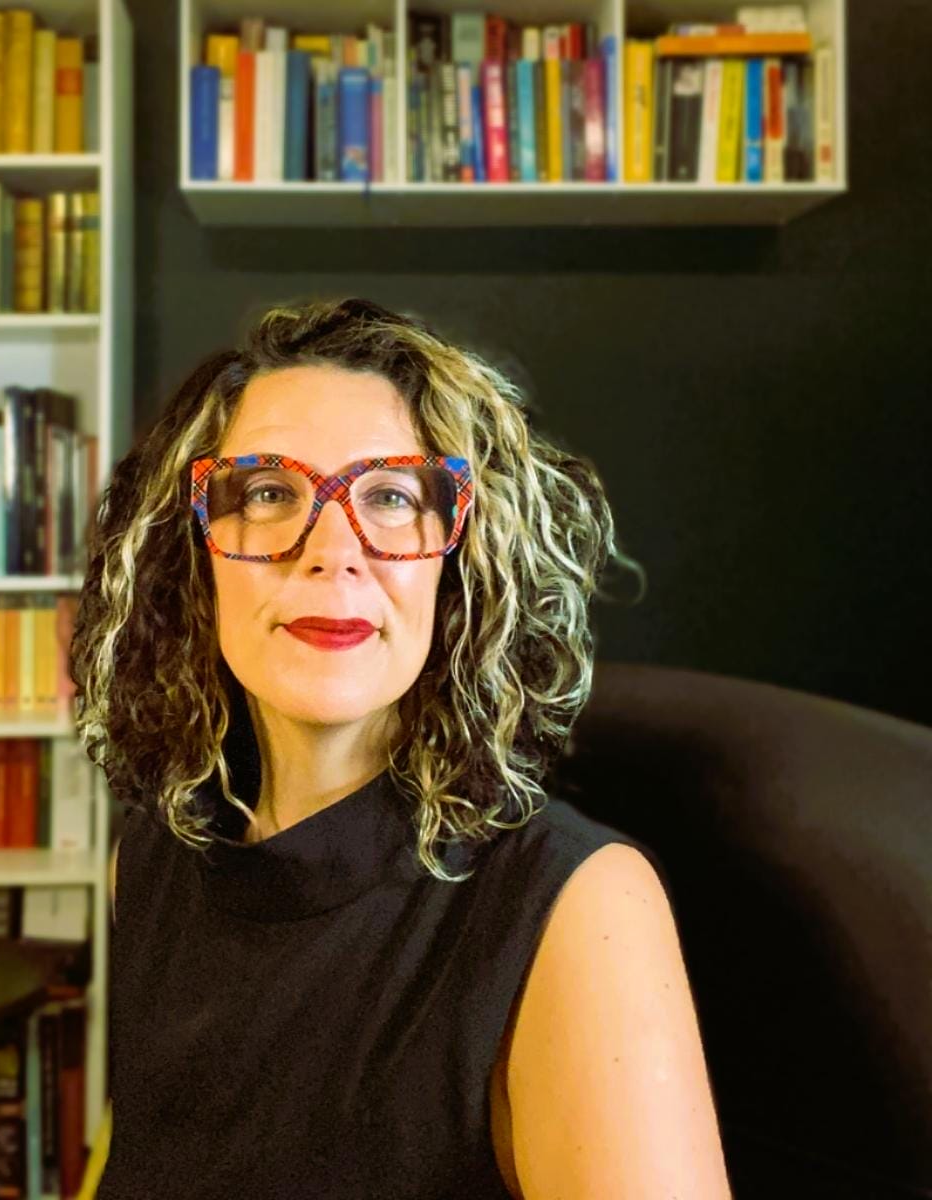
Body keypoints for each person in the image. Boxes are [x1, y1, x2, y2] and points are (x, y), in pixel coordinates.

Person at [73, 297, 732, 1198]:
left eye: (390, 497)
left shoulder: (578, 909)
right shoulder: (147, 862)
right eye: (268, 492)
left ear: (459, 564)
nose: (332, 551)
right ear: (193, 555)